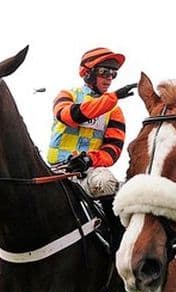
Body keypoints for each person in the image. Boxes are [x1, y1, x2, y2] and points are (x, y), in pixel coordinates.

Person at [48, 47, 136, 248]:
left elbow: (113, 150)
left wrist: (89, 159)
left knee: (106, 181)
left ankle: (117, 244)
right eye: (104, 72)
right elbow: (71, 116)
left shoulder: (115, 110)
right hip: (55, 170)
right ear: (87, 73)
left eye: (113, 74)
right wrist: (112, 98)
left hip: (88, 171)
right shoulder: (67, 95)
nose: (109, 78)